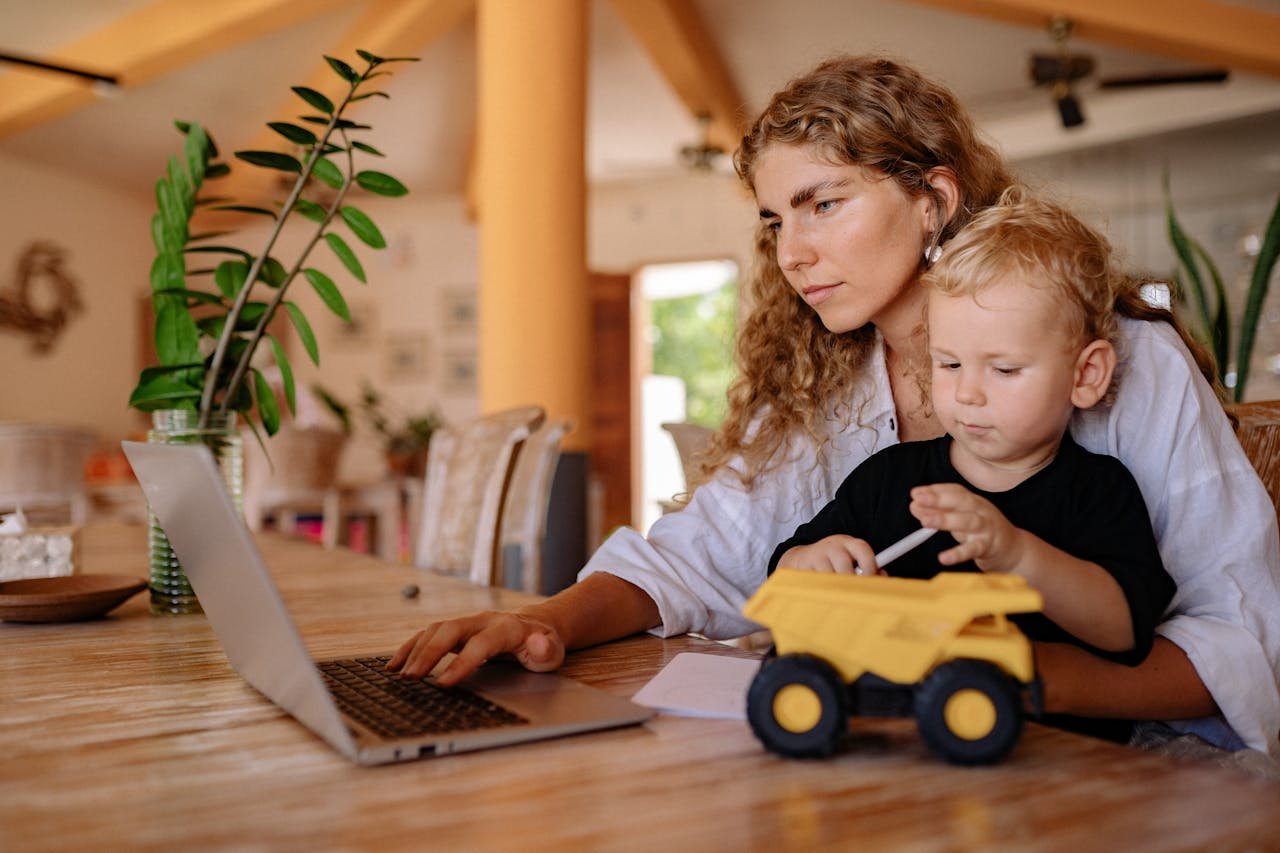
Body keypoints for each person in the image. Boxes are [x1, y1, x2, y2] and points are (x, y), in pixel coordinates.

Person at [390, 55, 1280, 760]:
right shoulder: (827, 375)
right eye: (778, 219)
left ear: (934, 199)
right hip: (920, 762)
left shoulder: (1127, 362)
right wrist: (546, 619)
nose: (793, 251)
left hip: (1129, 771)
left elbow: (1244, 638)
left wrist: (1015, 678)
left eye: (823, 203)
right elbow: (696, 558)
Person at [770, 192, 1176, 740]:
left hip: (1059, 761)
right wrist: (810, 562)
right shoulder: (889, 479)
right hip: (902, 758)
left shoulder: (1098, 491)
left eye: (1004, 369)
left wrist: (1015, 552)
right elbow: (785, 570)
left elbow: (1123, 630)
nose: (967, 394)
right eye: (949, 363)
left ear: (1086, 376)